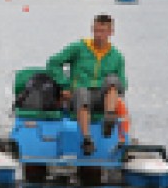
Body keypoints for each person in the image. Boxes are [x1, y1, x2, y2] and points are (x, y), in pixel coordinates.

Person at [46, 14, 127, 155]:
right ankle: (87, 139)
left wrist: (116, 91)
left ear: (110, 33)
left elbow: (123, 82)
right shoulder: (79, 48)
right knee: (83, 93)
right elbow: (53, 63)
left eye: (102, 31)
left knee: (113, 80)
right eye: (96, 31)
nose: (98, 35)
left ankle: (109, 118)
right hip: (78, 96)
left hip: (103, 99)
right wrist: (64, 85)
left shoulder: (116, 56)